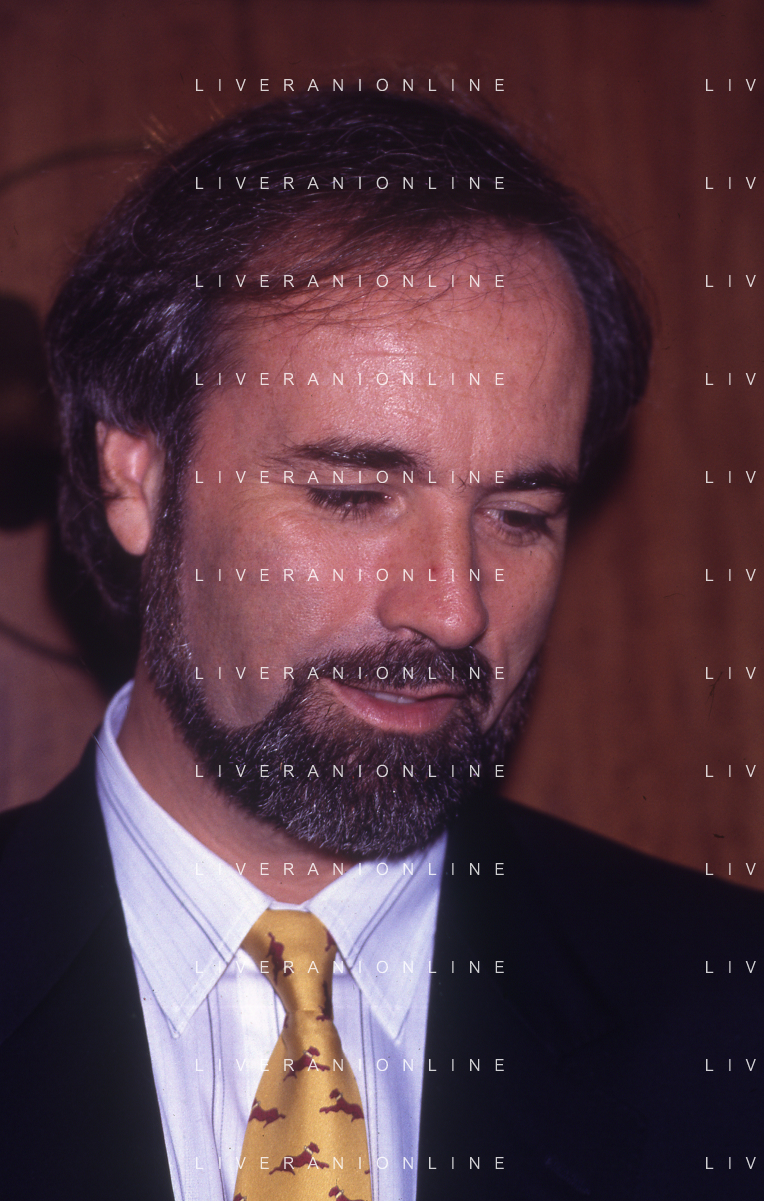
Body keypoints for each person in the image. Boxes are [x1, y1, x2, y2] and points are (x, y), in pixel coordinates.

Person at [1, 91, 762, 1201]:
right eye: (352, 495)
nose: (453, 608)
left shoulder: (730, 1021)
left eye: (518, 516)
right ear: (140, 477)